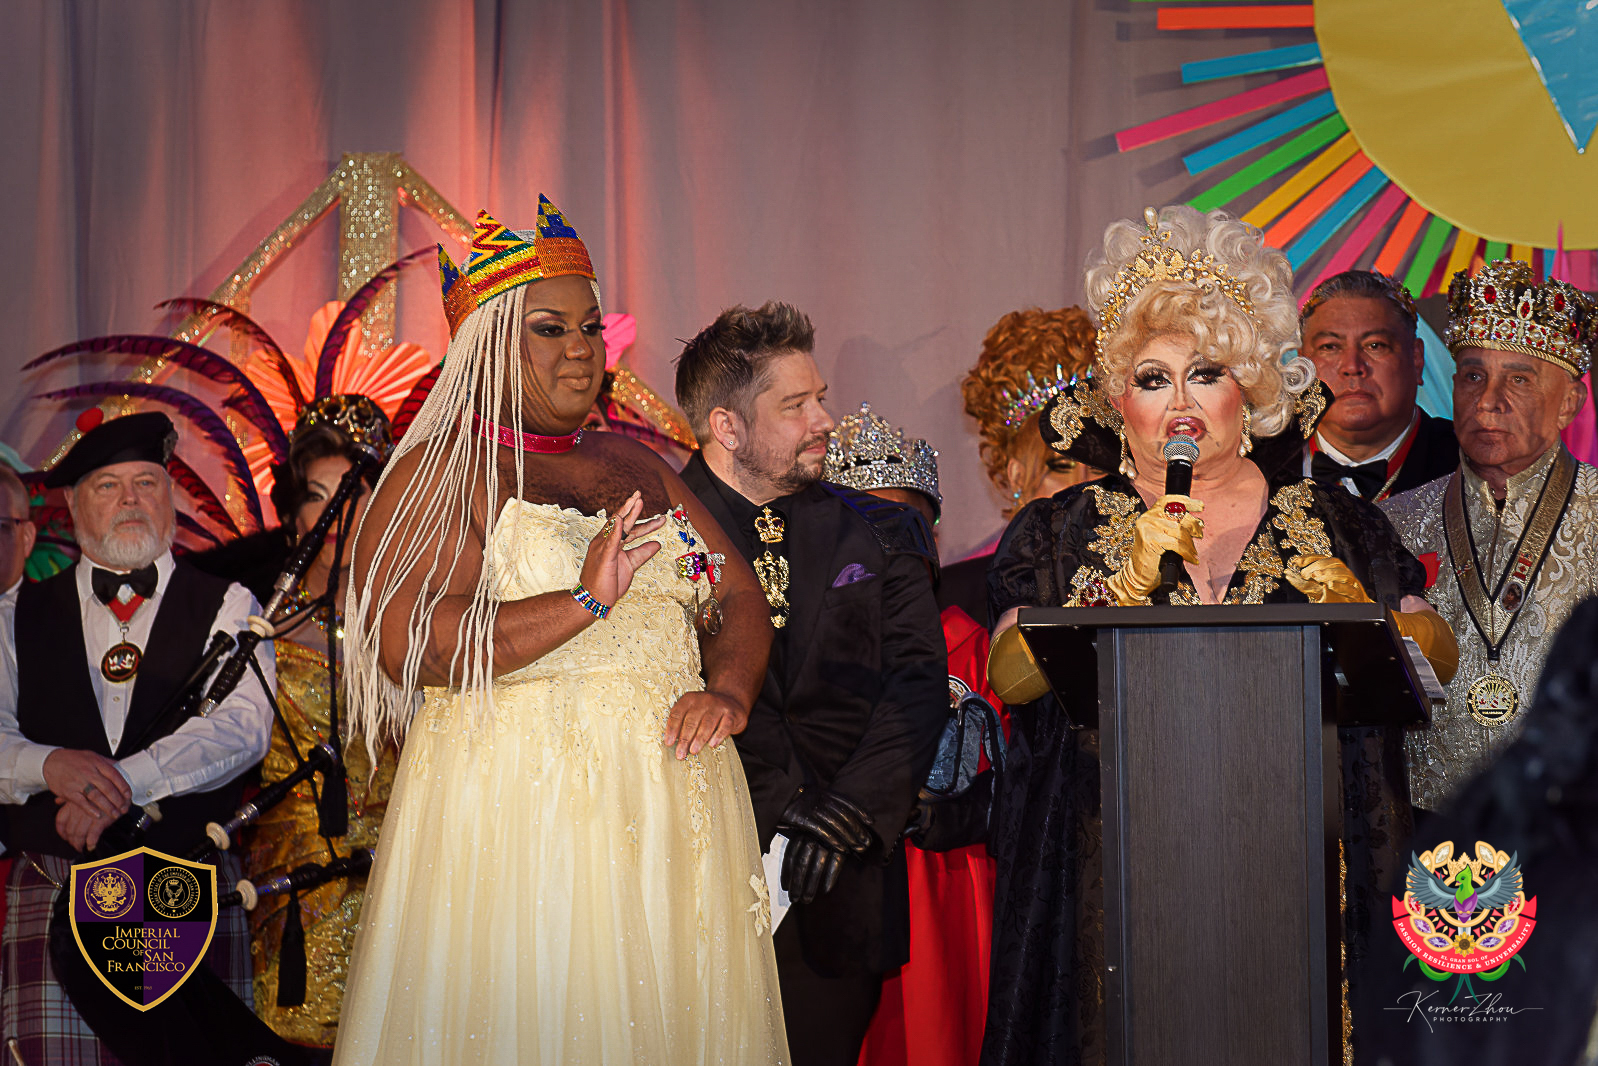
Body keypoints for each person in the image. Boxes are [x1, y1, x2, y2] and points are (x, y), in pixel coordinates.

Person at [980, 206, 1457, 1066]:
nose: (1180, 403)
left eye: (1206, 372)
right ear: (1119, 400)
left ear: (1252, 387)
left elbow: (1437, 655)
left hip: (1304, 870)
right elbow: (1010, 674)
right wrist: (1118, 587)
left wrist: (1368, 614)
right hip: (1112, 869)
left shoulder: (1335, 520)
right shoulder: (1060, 529)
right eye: (1152, 378)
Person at [332, 198, 788, 1065]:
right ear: (487, 347)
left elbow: (738, 596)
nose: (580, 347)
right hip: (525, 806)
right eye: (549, 329)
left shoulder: (635, 462)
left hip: (671, 805)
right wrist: (582, 602)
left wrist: (728, 692)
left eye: (589, 326)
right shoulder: (443, 470)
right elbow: (414, 643)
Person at [675, 305, 948, 1066]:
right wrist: (781, 805)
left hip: (842, 881)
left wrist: (848, 812)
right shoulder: (652, 530)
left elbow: (918, 683)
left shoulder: (882, 531)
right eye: (795, 406)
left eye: (819, 397)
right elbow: (652, 690)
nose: (824, 420)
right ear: (727, 427)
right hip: (694, 872)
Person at [0, 411, 274, 1062]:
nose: (130, 500)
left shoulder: (231, 604)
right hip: (54, 883)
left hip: (185, 880)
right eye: (108, 486)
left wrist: (120, 783)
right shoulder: (14, 613)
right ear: (71, 506)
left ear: (169, 496)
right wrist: (51, 766)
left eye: (146, 482)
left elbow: (242, 727)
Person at [1381, 259, 1598, 813]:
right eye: (1473, 376)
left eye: (1519, 379)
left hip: (1573, 829)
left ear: (1570, 402)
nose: (1487, 401)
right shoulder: (1390, 524)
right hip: (1426, 826)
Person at [823, 403, 999, 1066]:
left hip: (950, 887)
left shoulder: (977, 648)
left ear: (935, 538)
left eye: (908, 526)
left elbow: (1019, 776)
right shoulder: (811, 653)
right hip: (845, 886)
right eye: (868, 527)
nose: (890, 547)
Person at [240, 395, 397, 1046]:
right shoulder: (254, 626)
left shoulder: (427, 623)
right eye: (316, 497)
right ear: (292, 517)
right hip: (297, 888)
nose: (335, 514)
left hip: (408, 873)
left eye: (351, 494)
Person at [942, 308, 1099, 622]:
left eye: (1097, 467)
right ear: (1016, 476)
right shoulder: (954, 599)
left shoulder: (1147, 579)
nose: (1084, 484)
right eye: (1060, 467)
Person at [1298, 270, 1458, 501]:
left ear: (1416, 359)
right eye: (1330, 347)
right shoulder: (1256, 462)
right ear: (1302, 365)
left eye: (1375, 345)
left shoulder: (1472, 468)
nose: (1352, 366)